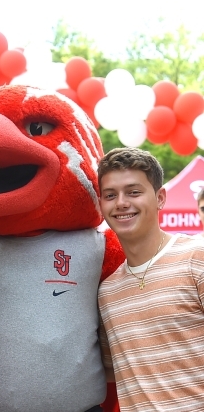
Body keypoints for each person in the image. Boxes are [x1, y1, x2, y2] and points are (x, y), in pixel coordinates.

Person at [97, 147, 204, 411]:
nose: (121, 202)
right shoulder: (106, 292)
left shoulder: (197, 259)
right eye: (111, 195)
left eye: (133, 192)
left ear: (160, 198)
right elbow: (114, 374)